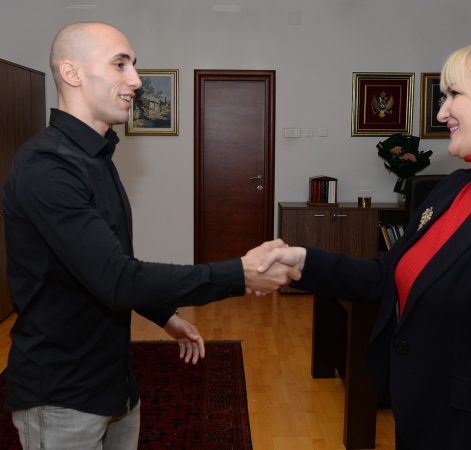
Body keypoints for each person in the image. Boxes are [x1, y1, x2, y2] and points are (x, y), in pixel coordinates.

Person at [259, 31, 471, 450]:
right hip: (421, 418)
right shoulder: (451, 188)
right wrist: (302, 262)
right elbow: (388, 275)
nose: (442, 112)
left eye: (453, 94)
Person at [2, 22, 298, 450]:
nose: (137, 80)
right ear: (72, 72)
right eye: (120, 64)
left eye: (134, 65)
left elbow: (109, 263)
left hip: (115, 384)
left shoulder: (95, 157)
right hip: (63, 398)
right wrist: (240, 273)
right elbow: (117, 279)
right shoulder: (47, 166)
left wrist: (165, 316)